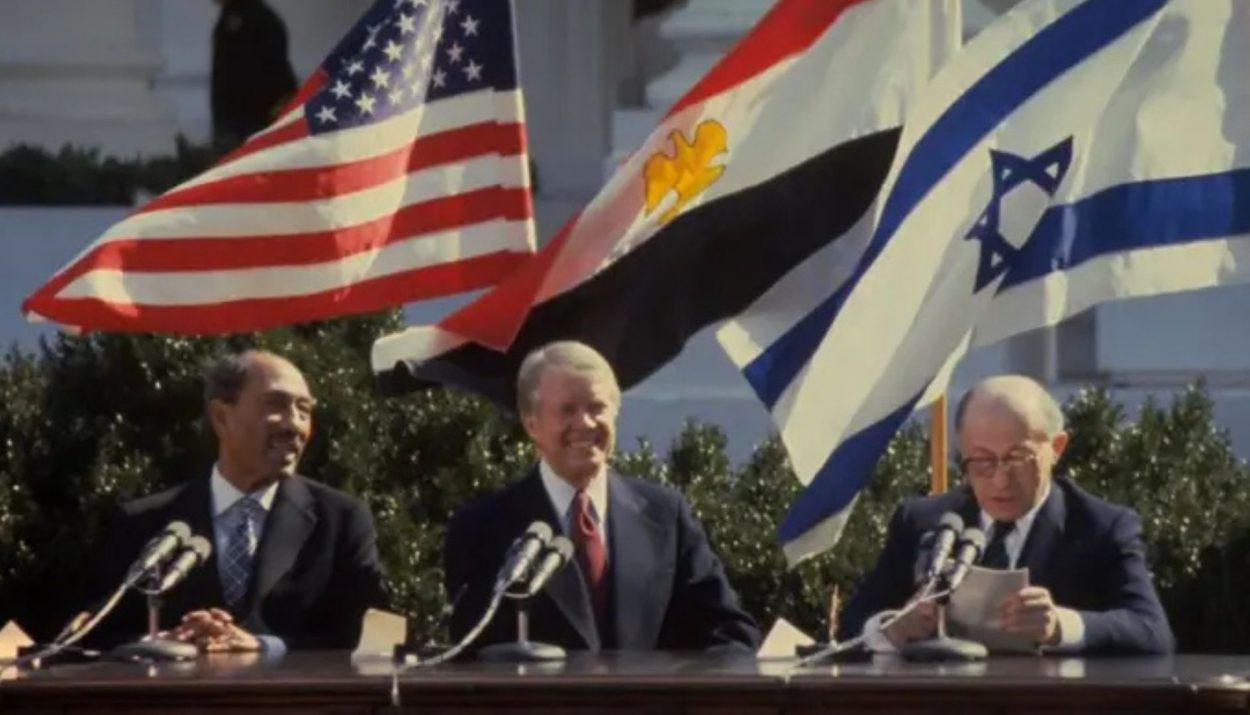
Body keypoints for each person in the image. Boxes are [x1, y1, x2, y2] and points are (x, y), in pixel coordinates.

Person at [444, 341, 760, 652]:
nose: (585, 423)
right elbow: (468, 654)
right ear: (531, 424)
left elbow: (729, 631)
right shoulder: (482, 528)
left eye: (597, 407)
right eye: (567, 410)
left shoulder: (665, 517)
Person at [838, 375, 1174, 655]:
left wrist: (1059, 625)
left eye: (1017, 458)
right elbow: (851, 625)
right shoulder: (923, 521)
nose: (1000, 480)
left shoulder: (1100, 527)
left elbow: (1152, 632)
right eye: (982, 461)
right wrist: (892, 628)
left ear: (1055, 448)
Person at [87, 350, 387, 654]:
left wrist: (265, 647)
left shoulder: (341, 520)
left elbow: (369, 644)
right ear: (221, 417)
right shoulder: (145, 522)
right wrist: (161, 643)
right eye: (277, 405)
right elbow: (94, 636)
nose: (294, 425)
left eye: (304, 410)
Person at [211, 0, 298, 148]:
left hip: (256, 116)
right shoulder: (230, 18)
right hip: (235, 116)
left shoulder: (258, 18)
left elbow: (276, 66)